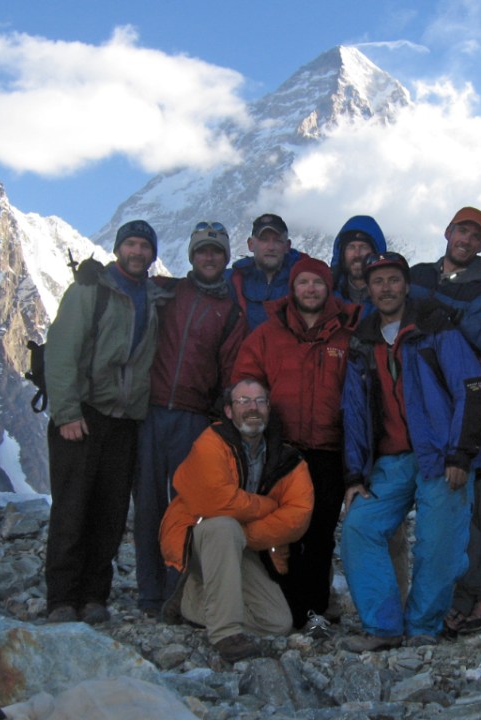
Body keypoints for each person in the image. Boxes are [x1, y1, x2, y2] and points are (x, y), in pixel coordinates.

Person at [340, 252, 481, 650]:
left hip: (441, 456)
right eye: (378, 281)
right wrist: (354, 475)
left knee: (437, 542)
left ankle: (424, 626)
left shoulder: (433, 326)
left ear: (406, 285)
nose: (386, 288)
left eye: (393, 280)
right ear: (368, 289)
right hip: (389, 463)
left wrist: (460, 454)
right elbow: (354, 411)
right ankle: (383, 627)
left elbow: (471, 387)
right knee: (359, 528)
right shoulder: (363, 340)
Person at [44, 219, 168, 624]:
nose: (137, 252)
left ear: (152, 255)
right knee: (72, 510)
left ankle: (95, 596)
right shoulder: (89, 290)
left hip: (125, 421)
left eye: (144, 247)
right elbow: (61, 352)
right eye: (130, 244)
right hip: (84, 415)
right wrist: (66, 413)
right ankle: (62, 599)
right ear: (118, 249)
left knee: (111, 513)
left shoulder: (153, 295)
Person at [409, 206, 481, 634]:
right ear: (448, 232)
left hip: (477, 405)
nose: (466, 240)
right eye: (462, 231)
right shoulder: (418, 274)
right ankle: (464, 594)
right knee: (445, 497)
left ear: (480, 245)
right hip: (429, 403)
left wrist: (456, 317)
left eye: (475, 236)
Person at [231, 257, 359, 631]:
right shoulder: (268, 334)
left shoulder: (346, 334)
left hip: (329, 449)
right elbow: (245, 382)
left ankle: (314, 610)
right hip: (282, 451)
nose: (310, 290)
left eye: (317, 283)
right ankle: (282, 607)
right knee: (281, 530)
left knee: (319, 532)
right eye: (303, 282)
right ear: (293, 288)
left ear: (328, 288)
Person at [134, 221, 246, 617]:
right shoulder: (167, 291)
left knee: (185, 508)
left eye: (216, 252)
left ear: (225, 258)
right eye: (202, 251)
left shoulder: (231, 311)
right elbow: (127, 285)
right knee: (147, 505)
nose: (209, 257)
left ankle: (176, 592)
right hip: (150, 411)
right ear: (192, 256)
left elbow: (231, 370)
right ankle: (150, 594)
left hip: (195, 419)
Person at [158, 379, 314, 662]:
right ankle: (225, 634)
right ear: (229, 411)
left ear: (269, 409)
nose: (252, 408)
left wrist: (246, 535)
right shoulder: (211, 442)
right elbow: (217, 501)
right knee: (223, 525)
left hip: (242, 544)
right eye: (243, 401)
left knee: (277, 623)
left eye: (260, 401)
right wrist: (267, 506)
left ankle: (190, 601)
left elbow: (297, 517)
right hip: (197, 538)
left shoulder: (288, 459)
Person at [227, 213, 307, 332]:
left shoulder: (304, 280)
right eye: (264, 240)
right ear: (250, 244)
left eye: (278, 240)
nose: (271, 247)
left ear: (287, 246)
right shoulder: (232, 280)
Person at [329, 215, 387, 311]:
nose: (357, 254)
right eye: (351, 247)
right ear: (342, 253)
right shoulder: (326, 294)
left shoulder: (393, 296)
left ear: (376, 253)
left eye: (363, 247)